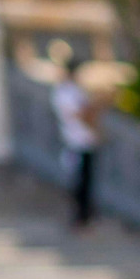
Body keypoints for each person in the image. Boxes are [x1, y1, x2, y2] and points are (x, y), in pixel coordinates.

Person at [50, 44, 101, 228]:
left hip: (85, 141)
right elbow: (80, 114)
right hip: (75, 141)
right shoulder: (65, 92)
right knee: (79, 184)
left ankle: (85, 218)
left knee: (87, 183)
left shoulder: (74, 90)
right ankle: (80, 219)